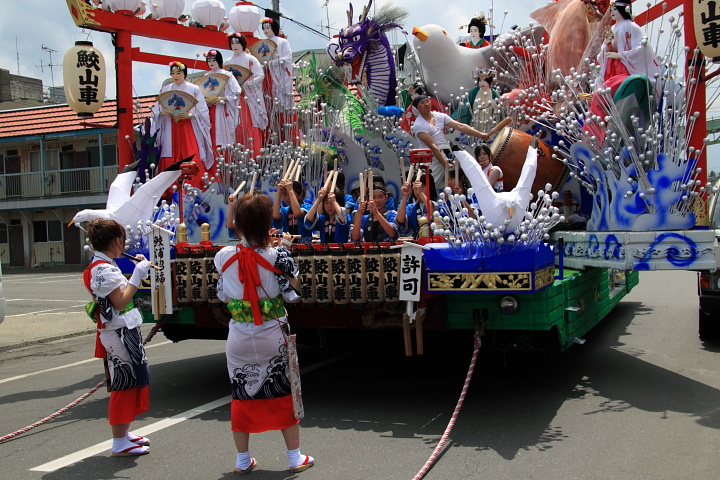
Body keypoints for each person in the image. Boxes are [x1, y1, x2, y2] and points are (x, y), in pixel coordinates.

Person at [215, 193, 314, 475]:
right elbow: (293, 294)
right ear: (267, 222)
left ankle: (243, 460)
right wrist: (283, 249)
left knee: (241, 391)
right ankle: (294, 456)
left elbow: (223, 294)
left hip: (240, 335)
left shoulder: (223, 256)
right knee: (283, 388)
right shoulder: (280, 254)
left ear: (239, 224)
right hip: (273, 331)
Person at [83, 219, 152, 457]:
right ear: (115, 242)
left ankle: (125, 433)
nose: (125, 244)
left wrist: (136, 273)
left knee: (132, 380)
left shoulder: (105, 265)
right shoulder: (103, 269)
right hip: (117, 332)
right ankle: (118, 441)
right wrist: (137, 277)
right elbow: (121, 301)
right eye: (123, 240)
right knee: (123, 383)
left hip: (123, 330)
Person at [151, 61, 214, 189]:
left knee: (190, 153)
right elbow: (156, 110)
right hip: (170, 127)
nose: (175, 75)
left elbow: (203, 110)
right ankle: (169, 189)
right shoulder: (165, 89)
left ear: (184, 73)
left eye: (178, 73)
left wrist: (191, 115)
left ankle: (193, 186)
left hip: (187, 126)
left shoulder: (193, 89)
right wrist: (162, 113)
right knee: (170, 154)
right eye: (173, 73)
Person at [411, 95, 490, 191]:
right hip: (432, 158)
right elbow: (433, 146)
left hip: (446, 153)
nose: (426, 104)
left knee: (457, 184)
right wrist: (445, 164)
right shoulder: (418, 125)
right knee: (430, 187)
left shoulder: (439, 116)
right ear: (417, 108)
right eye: (422, 103)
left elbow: (460, 126)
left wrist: (480, 134)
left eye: (427, 101)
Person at [225, 33, 268, 156]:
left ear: (242, 44)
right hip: (236, 97)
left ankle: (254, 154)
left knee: (249, 123)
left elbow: (260, 75)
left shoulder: (251, 59)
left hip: (249, 97)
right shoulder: (228, 62)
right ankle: (238, 155)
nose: (235, 45)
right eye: (232, 43)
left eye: (237, 43)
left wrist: (248, 84)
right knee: (237, 124)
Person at [261, 17, 296, 139]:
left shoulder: (282, 42)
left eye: (268, 27)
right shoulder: (263, 43)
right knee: (269, 103)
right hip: (268, 75)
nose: (265, 30)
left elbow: (287, 58)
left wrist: (273, 63)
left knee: (283, 103)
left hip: (279, 74)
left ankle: (287, 135)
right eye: (263, 28)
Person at [201, 50, 241, 154]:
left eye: (213, 60)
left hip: (223, 109)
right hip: (210, 110)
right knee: (211, 135)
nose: (211, 62)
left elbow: (236, 91)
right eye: (208, 60)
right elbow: (201, 94)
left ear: (219, 60)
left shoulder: (228, 75)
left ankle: (226, 161)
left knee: (224, 135)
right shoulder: (205, 76)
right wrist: (206, 101)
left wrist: (223, 98)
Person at [394, 172, 440, 239]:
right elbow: (400, 220)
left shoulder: (438, 203)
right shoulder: (411, 207)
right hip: (417, 243)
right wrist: (405, 196)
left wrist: (421, 193)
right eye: (414, 188)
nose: (417, 190)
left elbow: (434, 212)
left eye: (422, 187)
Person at [272, 178, 313, 243]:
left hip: (303, 247)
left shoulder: (307, 206)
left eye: (291, 194)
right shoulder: (285, 210)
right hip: (287, 245)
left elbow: (297, 213)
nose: (288, 198)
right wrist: (279, 193)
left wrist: (290, 190)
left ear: (300, 195)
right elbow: (275, 215)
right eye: (285, 194)